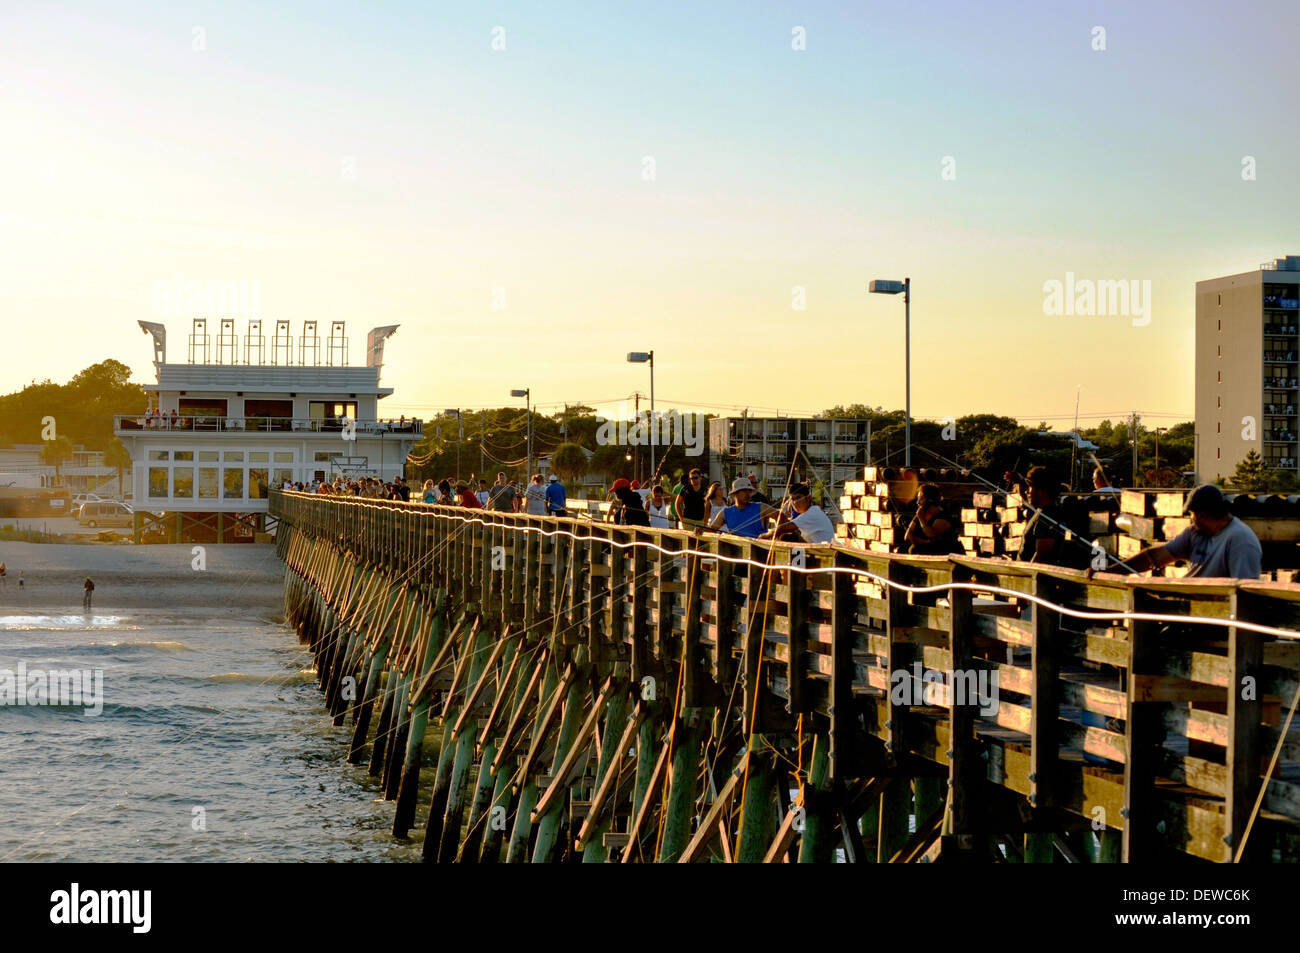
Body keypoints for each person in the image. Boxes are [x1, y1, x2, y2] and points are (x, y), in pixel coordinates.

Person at [1098, 484, 1262, 580]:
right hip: (1189, 610)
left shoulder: (1240, 540)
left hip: (1218, 618)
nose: (1191, 520)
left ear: (1202, 514)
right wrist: (1113, 571)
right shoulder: (1195, 534)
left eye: (1191, 515)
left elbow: (1244, 589)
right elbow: (1155, 557)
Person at [1017, 467, 1070, 565]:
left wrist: (1028, 576)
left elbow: (1041, 556)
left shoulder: (1048, 515)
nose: (1026, 491)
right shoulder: (1040, 511)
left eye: (1030, 487)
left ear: (1042, 490)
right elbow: (1025, 497)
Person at [709, 477, 781, 538]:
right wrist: (700, 530)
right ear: (735, 494)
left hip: (759, 551)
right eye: (743, 491)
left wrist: (772, 533)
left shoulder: (761, 507)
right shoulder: (726, 512)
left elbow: (781, 517)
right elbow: (711, 529)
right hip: (736, 551)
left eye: (749, 491)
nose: (747, 494)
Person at [763, 482, 833, 543]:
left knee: (787, 537)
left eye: (798, 497)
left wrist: (764, 536)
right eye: (792, 499)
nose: (795, 502)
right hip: (816, 549)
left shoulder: (813, 512)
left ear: (808, 498)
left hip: (823, 553)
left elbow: (783, 528)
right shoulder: (811, 511)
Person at [905, 484, 961, 555]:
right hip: (928, 552)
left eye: (921, 499)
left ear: (930, 500)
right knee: (912, 549)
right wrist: (923, 542)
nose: (918, 502)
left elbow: (931, 535)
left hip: (944, 554)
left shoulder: (942, 517)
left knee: (915, 549)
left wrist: (922, 519)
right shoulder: (920, 514)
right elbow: (907, 536)